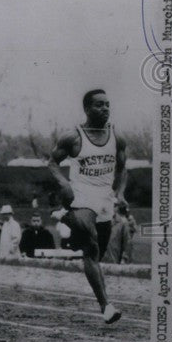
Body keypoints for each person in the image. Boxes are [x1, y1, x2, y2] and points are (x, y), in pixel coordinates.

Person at [48, 88, 127, 323]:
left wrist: (120, 193)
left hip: (105, 199)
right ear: (87, 109)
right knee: (90, 245)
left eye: (107, 104)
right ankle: (106, 306)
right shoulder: (72, 137)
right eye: (99, 105)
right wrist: (64, 183)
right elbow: (52, 162)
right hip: (81, 194)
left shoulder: (118, 136)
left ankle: (64, 215)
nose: (105, 109)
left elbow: (123, 168)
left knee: (96, 253)